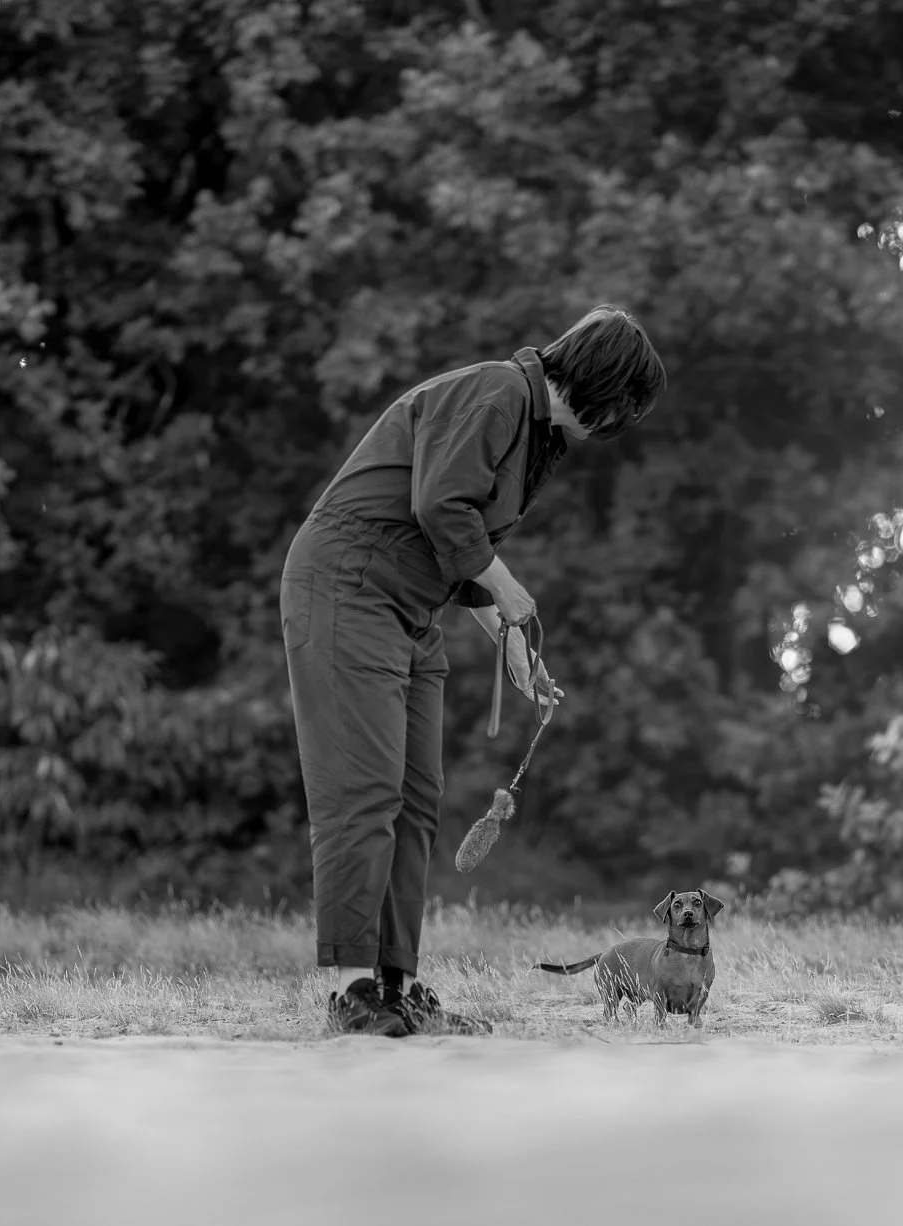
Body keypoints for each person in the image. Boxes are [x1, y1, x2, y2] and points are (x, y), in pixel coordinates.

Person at [280, 305, 667, 1036]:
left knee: (416, 797)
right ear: (601, 382)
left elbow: (462, 555)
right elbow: (439, 506)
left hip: (412, 605)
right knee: (362, 792)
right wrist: (514, 594)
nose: (620, 423)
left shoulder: (536, 438)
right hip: (346, 585)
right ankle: (349, 990)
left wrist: (510, 642)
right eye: (624, 406)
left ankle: (398, 985)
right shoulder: (497, 391)